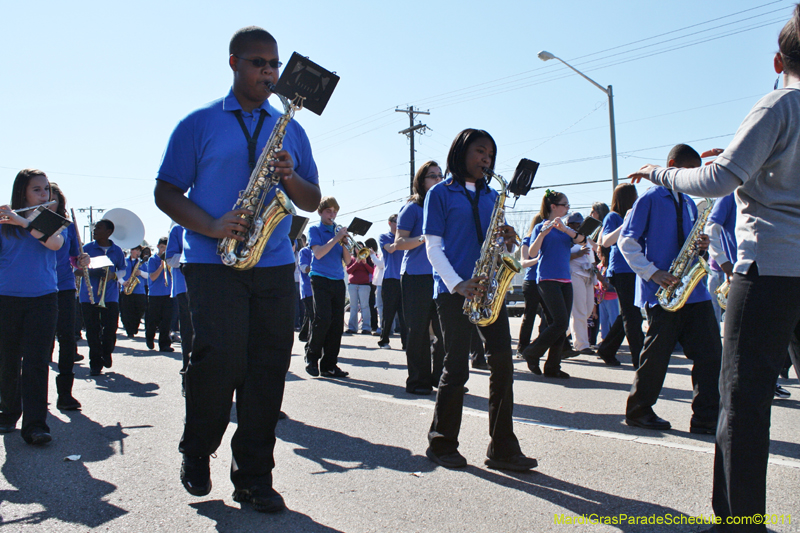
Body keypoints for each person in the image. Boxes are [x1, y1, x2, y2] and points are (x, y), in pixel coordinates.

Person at [629, 12, 800, 526]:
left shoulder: (779, 104)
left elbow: (719, 179)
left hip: (769, 271)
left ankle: (739, 522)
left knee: (744, 406)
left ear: (778, 62)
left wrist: (662, 173)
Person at [154, 26, 321, 513]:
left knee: (268, 370)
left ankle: (253, 477)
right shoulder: (198, 123)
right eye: (257, 63)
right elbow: (165, 191)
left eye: (273, 65)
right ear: (234, 63)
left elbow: (311, 199)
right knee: (219, 361)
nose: (268, 72)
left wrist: (291, 176)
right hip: (213, 260)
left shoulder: (291, 128)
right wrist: (211, 225)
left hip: (274, 263)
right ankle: (197, 448)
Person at [422, 128, 537, 472]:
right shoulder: (440, 193)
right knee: (456, 367)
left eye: (490, 154)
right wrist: (457, 284)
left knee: (502, 365)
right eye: (480, 151)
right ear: (461, 152)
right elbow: (432, 247)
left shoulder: (492, 196)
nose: (486, 159)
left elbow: (501, 247)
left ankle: (502, 448)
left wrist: (510, 241)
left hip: (489, 290)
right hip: (454, 291)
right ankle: (442, 443)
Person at [620, 144, 721, 437]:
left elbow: (687, 240)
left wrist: (701, 245)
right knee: (657, 356)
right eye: (690, 171)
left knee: (711, 354)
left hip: (693, 289)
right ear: (673, 165)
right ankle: (639, 410)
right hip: (662, 290)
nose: (694, 178)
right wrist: (653, 272)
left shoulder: (689, 201)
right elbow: (627, 241)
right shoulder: (650, 198)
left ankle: (706, 418)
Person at [0, 169, 68, 444]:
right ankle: (8, 412)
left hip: (43, 300)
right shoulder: (5, 223)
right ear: (22, 193)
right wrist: (12, 220)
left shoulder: (50, 220)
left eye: (46, 189)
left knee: (37, 363)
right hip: (6, 300)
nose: (43, 195)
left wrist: (23, 221)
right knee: (7, 361)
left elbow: (55, 244)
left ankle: (35, 425)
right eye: (36, 190)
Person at [521, 190, 587, 378]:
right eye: (565, 205)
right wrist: (543, 234)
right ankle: (531, 352)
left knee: (560, 325)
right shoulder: (540, 227)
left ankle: (552, 367)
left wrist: (565, 229)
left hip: (565, 280)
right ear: (553, 207)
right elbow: (532, 253)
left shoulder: (565, 228)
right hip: (547, 280)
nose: (568, 208)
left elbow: (582, 240)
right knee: (559, 322)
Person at [394, 160, 445, 394]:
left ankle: (441, 378)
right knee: (418, 332)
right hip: (416, 277)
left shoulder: (443, 206)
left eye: (440, 175)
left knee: (446, 331)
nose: (438, 179)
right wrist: (425, 237)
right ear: (421, 181)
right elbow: (399, 242)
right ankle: (418, 381)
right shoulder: (412, 208)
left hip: (441, 276)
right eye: (433, 176)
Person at [49, 183, 90, 410]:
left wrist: (82, 260)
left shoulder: (68, 226)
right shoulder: (28, 222)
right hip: (39, 288)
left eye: (53, 197)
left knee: (67, 340)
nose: (48, 200)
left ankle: (65, 393)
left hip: (64, 286)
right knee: (40, 343)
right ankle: (34, 394)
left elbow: (74, 258)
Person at [595, 183, 641, 368]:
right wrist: (626, 223)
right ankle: (639, 358)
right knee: (632, 315)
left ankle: (607, 349)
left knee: (628, 314)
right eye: (634, 195)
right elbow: (606, 241)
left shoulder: (636, 215)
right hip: (621, 270)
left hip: (635, 268)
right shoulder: (613, 216)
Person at [305, 197, 350, 378]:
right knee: (322, 319)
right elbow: (318, 253)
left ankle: (329, 365)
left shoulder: (338, 231)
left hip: (337, 280)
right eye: (328, 211)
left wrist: (345, 243)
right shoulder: (314, 230)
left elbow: (348, 261)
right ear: (320, 212)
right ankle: (311, 358)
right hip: (320, 278)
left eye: (334, 211)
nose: (332, 215)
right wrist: (336, 238)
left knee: (337, 325)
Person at [79, 218, 126, 377]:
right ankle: (95, 364)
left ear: (108, 232)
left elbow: (123, 270)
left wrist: (114, 275)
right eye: (95, 227)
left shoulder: (117, 250)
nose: (95, 230)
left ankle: (107, 351)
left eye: (98, 228)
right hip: (89, 296)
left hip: (110, 296)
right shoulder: (86, 249)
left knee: (111, 328)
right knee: (92, 331)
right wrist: (91, 271)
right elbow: (76, 270)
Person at [565, 212, 597, 356]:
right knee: (579, 311)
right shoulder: (566, 238)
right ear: (569, 225)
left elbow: (592, 260)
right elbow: (562, 256)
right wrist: (578, 254)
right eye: (575, 224)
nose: (578, 227)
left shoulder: (585, 239)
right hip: (574, 274)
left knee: (588, 310)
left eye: (580, 224)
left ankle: (558, 335)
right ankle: (582, 345)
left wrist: (599, 278)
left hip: (588, 275)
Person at [516, 214, 548, 356]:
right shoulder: (528, 239)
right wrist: (538, 259)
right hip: (531, 281)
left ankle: (540, 346)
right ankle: (522, 347)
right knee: (529, 315)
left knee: (549, 316)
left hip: (546, 281)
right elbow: (523, 262)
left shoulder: (550, 240)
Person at [166, 224, 193, 391]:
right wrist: (195, 253)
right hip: (185, 288)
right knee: (189, 335)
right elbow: (170, 259)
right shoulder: (178, 229)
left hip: (211, 286)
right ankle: (188, 378)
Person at [378, 214, 406, 349]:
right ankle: (384, 341)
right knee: (388, 313)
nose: (398, 224)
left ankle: (406, 343)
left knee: (404, 314)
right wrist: (401, 239)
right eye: (396, 222)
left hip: (404, 278)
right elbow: (390, 249)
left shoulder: (404, 238)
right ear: (390, 223)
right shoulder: (384, 237)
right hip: (390, 279)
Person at [144, 237, 174, 352]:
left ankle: (164, 344)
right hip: (155, 295)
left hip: (168, 294)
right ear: (157, 247)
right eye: (162, 247)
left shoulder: (170, 260)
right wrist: (162, 266)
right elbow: (152, 277)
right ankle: (149, 337)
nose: (163, 250)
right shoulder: (153, 260)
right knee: (153, 320)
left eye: (166, 248)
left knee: (166, 321)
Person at [119, 245, 149, 337]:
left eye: (139, 251)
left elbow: (148, 275)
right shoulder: (124, 261)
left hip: (139, 291)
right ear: (131, 250)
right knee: (126, 311)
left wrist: (140, 273)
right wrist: (123, 282)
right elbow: (118, 273)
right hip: (126, 290)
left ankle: (134, 327)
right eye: (136, 250)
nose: (138, 253)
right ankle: (129, 330)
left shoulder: (142, 263)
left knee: (139, 310)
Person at [344, 245, 373, 334]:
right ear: (354, 249)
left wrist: (365, 263)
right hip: (352, 284)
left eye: (361, 247)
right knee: (353, 306)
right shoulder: (351, 258)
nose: (359, 249)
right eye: (357, 247)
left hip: (364, 285)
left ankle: (366, 328)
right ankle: (352, 327)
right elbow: (348, 271)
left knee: (365, 306)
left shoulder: (367, 259)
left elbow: (372, 271)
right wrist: (357, 262)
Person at [297, 236, 313, 343]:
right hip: (307, 288)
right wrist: (318, 267)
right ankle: (310, 337)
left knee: (310, 313)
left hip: (317, 288)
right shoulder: (304, 251)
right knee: (312, 313)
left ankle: (304, 335)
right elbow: (303, 268)